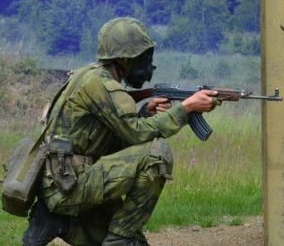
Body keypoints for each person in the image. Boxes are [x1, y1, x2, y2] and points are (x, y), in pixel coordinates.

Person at [22, 17, 219, 246]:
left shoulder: (89, 76)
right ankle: (118, 238)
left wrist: (145, 113)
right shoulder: (101, 84)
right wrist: (186, 109)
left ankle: (59, 221)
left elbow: (115, 139)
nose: (146, 65)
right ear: (124, 59)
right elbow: (136, 135)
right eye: (141, 58)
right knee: (156, 155)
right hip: (69, 186)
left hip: (65, 181)